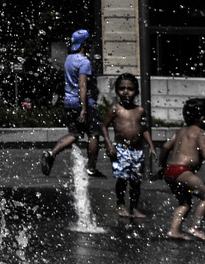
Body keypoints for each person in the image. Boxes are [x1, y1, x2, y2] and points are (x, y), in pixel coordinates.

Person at [158, 99, 205, 243]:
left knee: (184, 203)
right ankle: (195, 228)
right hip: (183, 171)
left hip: (170, 170)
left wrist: (162, 165)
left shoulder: (180, 131)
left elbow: (165, 147)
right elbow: (204, 148)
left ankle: (174, 231)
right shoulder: (201, 132)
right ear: (202, 118)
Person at [41, 30, 102, 177]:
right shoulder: (84, 61)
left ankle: (51, 153)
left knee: (74, 134)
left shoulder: (69, 59)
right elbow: (83, 85)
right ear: (85, 43)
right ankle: (91, 168)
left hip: (69, 103)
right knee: (93, 134)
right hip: (85, 103)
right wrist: (84, 109)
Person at [101, 73, 157, 219]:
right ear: (117, 91)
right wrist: (108, 144)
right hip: (120, 149)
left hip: (137, 150)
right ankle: (120, 204)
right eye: (121, 88)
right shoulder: (115, 109)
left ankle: (134, 207)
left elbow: (144, 129)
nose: (125, 92)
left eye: (130, 89)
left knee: (136, 180)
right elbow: (104, 126)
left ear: (136, 92)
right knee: (123, 178)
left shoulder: (140, 111)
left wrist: (151, 145)